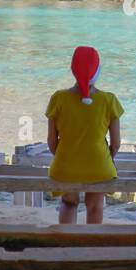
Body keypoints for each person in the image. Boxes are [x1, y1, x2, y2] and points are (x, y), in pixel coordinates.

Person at [45, 46, 124, 224]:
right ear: (97, 71)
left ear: (73, 69)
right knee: (95, 206)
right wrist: (105, 158)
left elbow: (51, 141)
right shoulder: (109, 100)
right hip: (100, 166)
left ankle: (67, 239)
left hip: (65, 166)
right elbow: (116, 144)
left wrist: (66, 156)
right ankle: (91, 240)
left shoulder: (58, 98)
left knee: (68, 203)